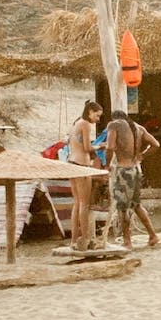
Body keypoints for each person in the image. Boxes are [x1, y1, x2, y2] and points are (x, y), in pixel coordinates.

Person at [103, 110, 160, 248]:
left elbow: (110, 147)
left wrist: (107, 165)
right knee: (136, 205)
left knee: (123, 208)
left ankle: (127, 241)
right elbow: (156, 144)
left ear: (115, 118)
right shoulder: (138, 128)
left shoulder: (114, 125)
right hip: (135, 169)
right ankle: (153, 235)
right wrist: (142, 155)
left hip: (123, 170)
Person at [66, 99, 104, 248]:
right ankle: (86, 238)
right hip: (82, 164)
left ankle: (74, 240)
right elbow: (88, 148)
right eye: (97, 115)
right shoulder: (86, 125)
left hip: (71, 163)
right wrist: (101, 145)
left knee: (76, 203)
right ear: (90, 112)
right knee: (84, 204)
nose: (98, 119)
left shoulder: (76, 123)